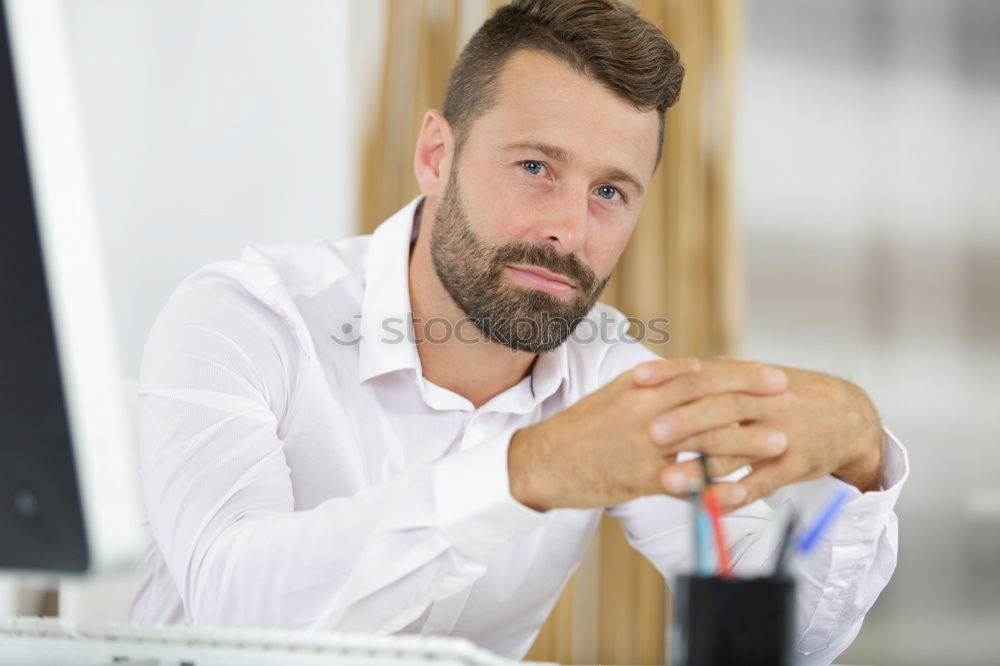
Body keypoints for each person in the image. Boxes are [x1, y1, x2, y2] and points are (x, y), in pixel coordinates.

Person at [130, 0, 908, 663]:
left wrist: (860, 455)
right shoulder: (244, 317)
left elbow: (791, 640)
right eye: (536, 167)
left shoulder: (614, 378)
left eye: (610, 190)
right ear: (437, 155)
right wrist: (525, 473)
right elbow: (230, 613)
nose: (569, 228)